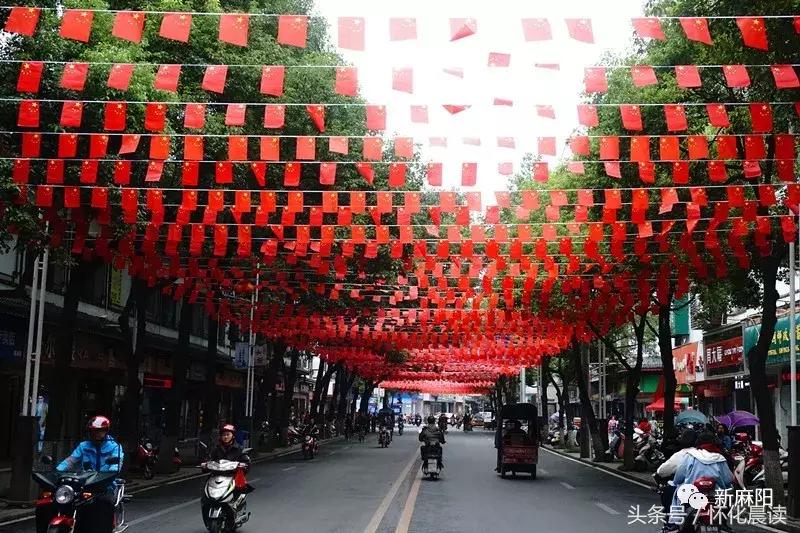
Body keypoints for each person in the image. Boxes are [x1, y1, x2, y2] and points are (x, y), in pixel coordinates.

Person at [37, 416, 123, 533]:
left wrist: (109, 474)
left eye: (99, 431)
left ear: (106, 431)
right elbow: (70, 461)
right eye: (92, 431)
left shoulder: (115, 447)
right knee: (47, 500)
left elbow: (116, 466)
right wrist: (56, 472)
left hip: (104, 485)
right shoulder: (83, 446)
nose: (95, 434)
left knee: (105, 502)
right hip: (84, 483)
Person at [666, 431, 733, 530]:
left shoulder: (690, 456)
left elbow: (679, 476)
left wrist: (676, 482)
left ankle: (675, 523)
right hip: (715, 496)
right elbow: (728, 480)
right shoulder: (720, 458)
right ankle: (723, 523)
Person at [655, 429, 698, 512]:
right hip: (708, 491)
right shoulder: (705, 454)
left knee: (667, 492)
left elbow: (663, 471)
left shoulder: (682, 455)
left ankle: (670, 521)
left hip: (686, 489)